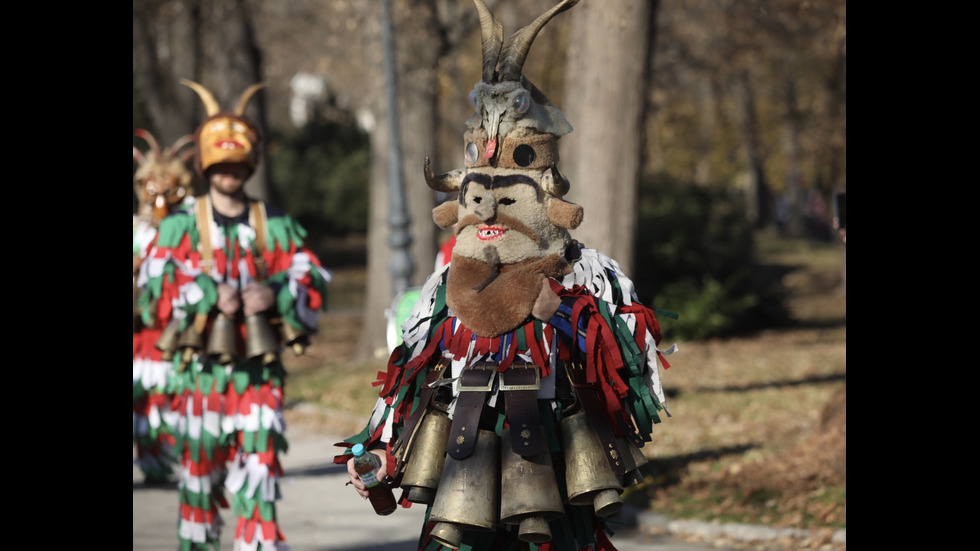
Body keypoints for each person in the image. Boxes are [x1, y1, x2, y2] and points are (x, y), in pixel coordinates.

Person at [335, 1, 677, 550]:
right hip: (458, 469)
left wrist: (562, 315)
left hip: (555, 465)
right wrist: (380, 445)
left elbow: (630, 380)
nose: (490, 209)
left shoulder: (586, 273)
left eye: (508, 190)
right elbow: (415, 370)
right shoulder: (445, 282)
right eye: (481, 189)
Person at [138, 78, 333, 551]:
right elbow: (151, 285)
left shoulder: (275, 223)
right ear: (206, 167)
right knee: (199, 492)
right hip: (198, 382)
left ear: (250, 164)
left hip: (258, 380)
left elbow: (311, 278)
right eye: (220, 164)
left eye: (237, 163)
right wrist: (205, 290)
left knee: (259, 483)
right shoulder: (181, 225)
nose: (229, 171)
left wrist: (276, 292)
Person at [133, 128, 196, 484]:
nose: (160, 197)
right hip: (143, 333)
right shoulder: (136, 232)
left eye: (168, 189)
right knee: (144, 399)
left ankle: (190, 462)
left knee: (181, 397)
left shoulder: (190, 228)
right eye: (152, 188)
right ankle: (153, 466)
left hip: (181, 328)